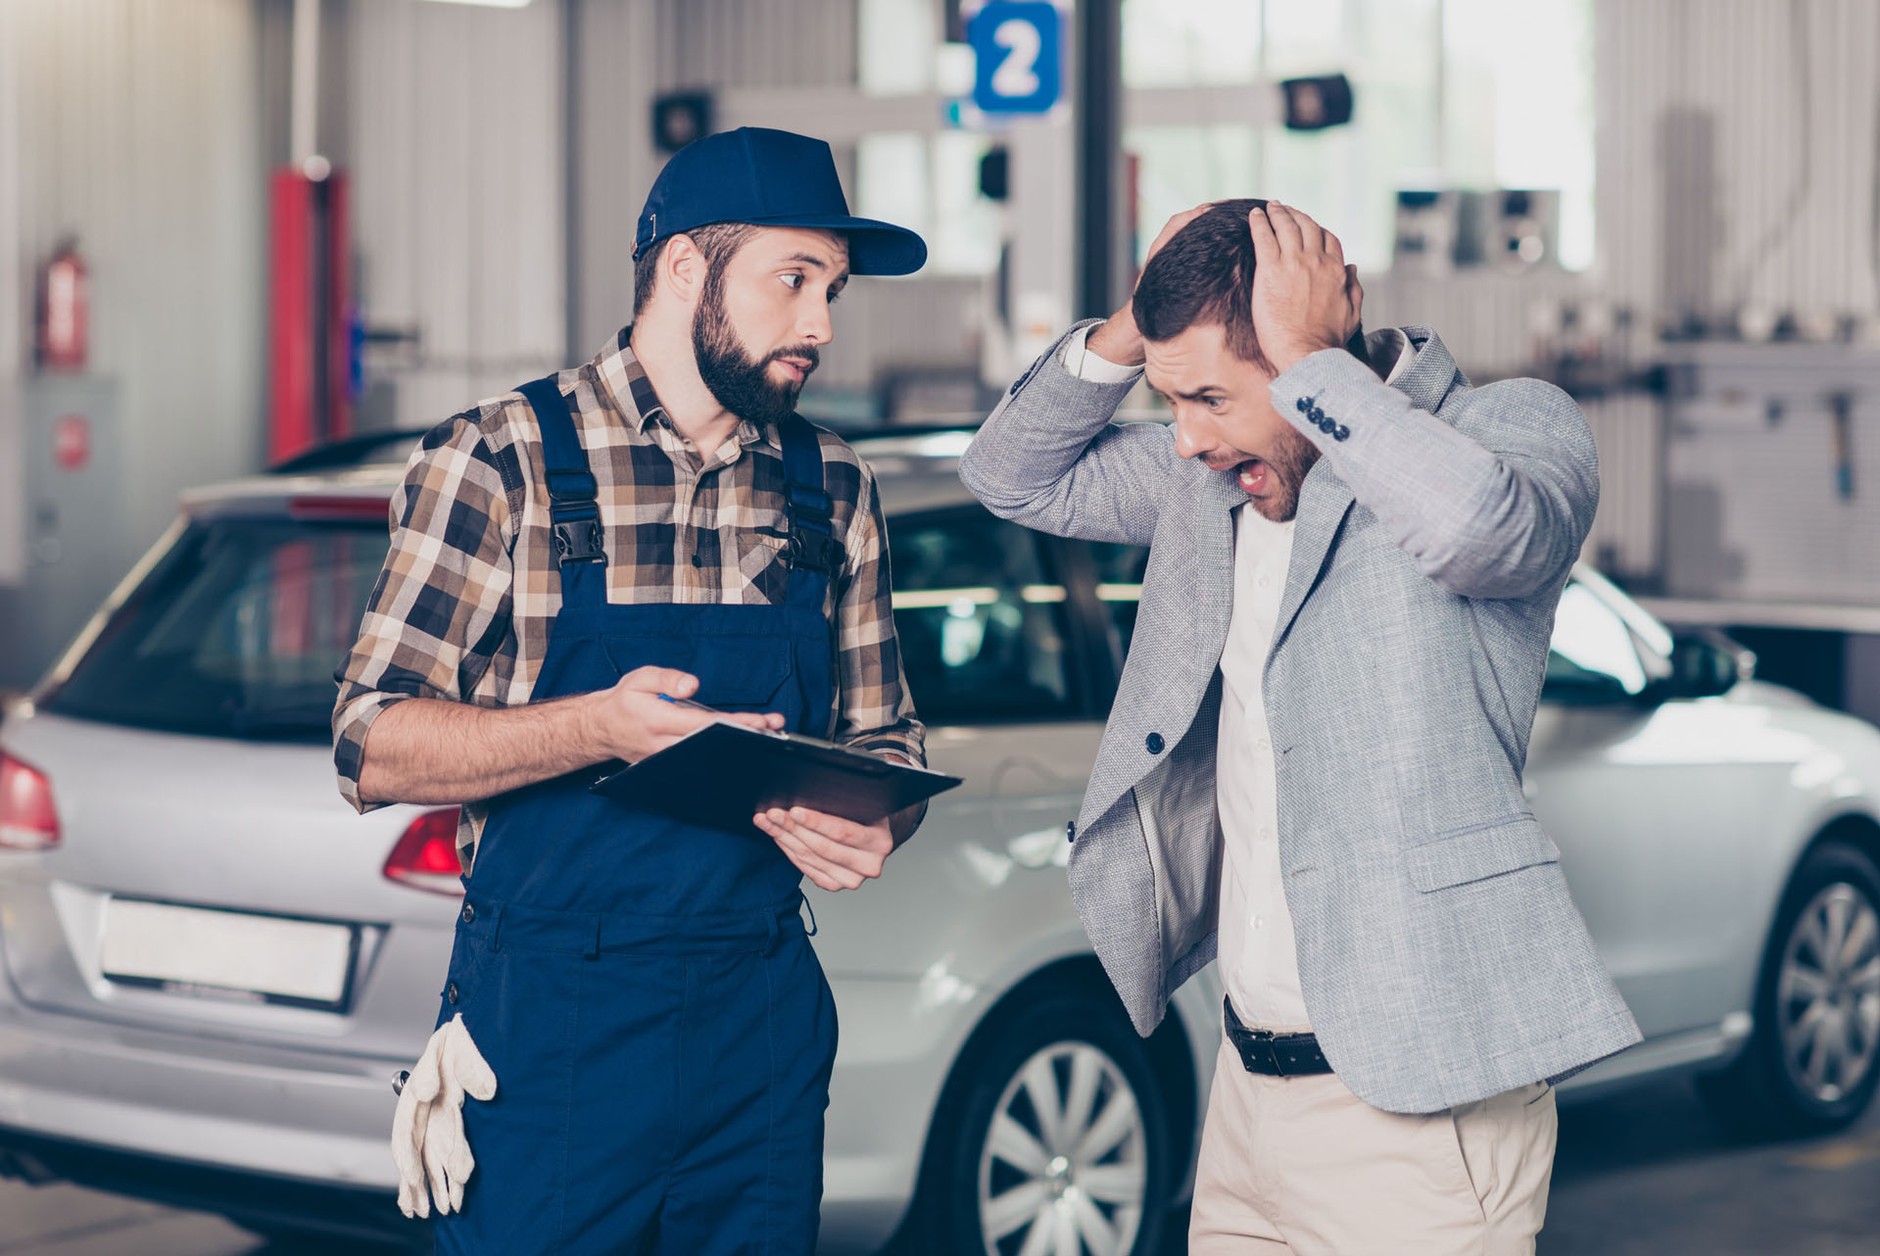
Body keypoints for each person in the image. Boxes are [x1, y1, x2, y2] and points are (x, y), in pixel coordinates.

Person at [959, 199, 1640, 1254]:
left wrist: (1312, 361)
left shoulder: (1507, 428)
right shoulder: (1212, 481)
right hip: (1245, 1100)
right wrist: (1131, 326)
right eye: (1169, 398)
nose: (1184, 435)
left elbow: (1480, 533)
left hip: (1421, 1112)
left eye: (1207, 398)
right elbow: (1008, 475)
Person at [332, 127, 930, 1256]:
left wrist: (877, 815)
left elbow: (885, 739)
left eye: (831, 290)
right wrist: (597, 725)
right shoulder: (500, 457)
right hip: (552, 1020)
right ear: (684, 271)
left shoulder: (831, 485)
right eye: (793, 280)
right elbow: (370, 744)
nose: (821, 324)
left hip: (756, 1014)